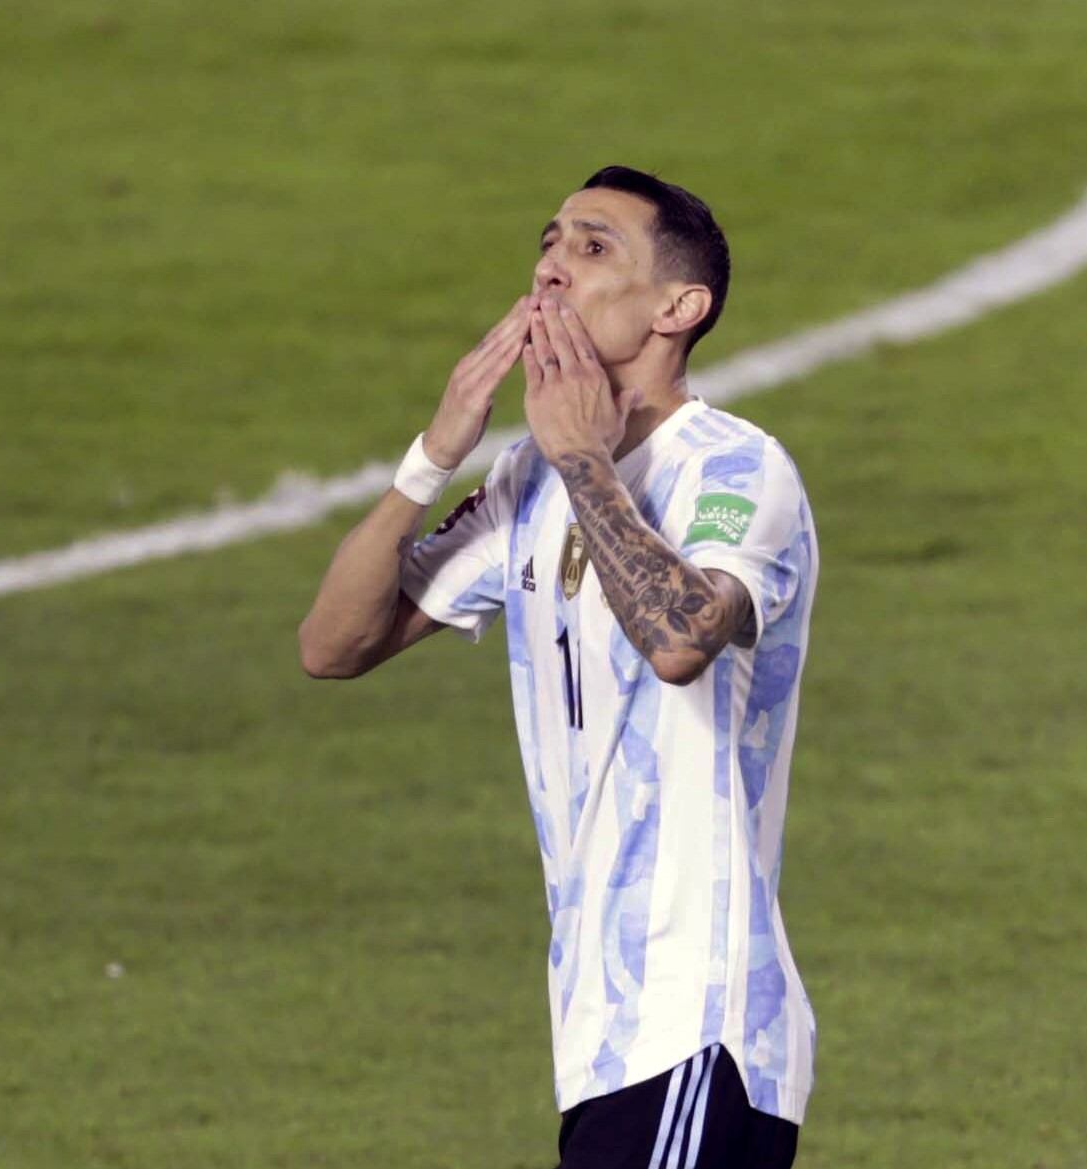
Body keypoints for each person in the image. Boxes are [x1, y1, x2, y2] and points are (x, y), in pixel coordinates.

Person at [297, 166, 817, 1169]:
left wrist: (583, 459)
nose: (547, 268)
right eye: (545, 243)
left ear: (678, 307)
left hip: (696, 1013)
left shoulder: (735, 468)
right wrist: (432, 453)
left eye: (590, 247)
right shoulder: (525, 479)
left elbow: (678, 639)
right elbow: (333, 645)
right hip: (598, 1023)